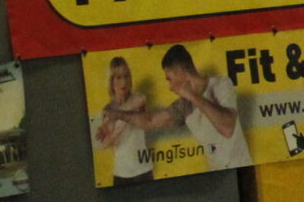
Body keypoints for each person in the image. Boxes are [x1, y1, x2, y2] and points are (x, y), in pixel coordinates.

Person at [161, 46, 252, 170]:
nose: (170, 87)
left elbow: (228, 129)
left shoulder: (221, 84)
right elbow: (151, 121)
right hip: (217, 173)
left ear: (181, 72)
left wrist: (192, 95)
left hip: (241, 168)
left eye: (170, 79)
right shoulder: (183, 105)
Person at [94, 57, 159, 185]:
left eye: (126, 76)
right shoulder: (108, 109)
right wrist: (116, 125)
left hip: (144, 170)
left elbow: (141, 100)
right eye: (118, 77)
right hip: (121, 173)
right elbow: (104, 144)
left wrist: (115, 117)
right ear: (111, 81)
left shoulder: (137, 98)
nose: (123, 82)